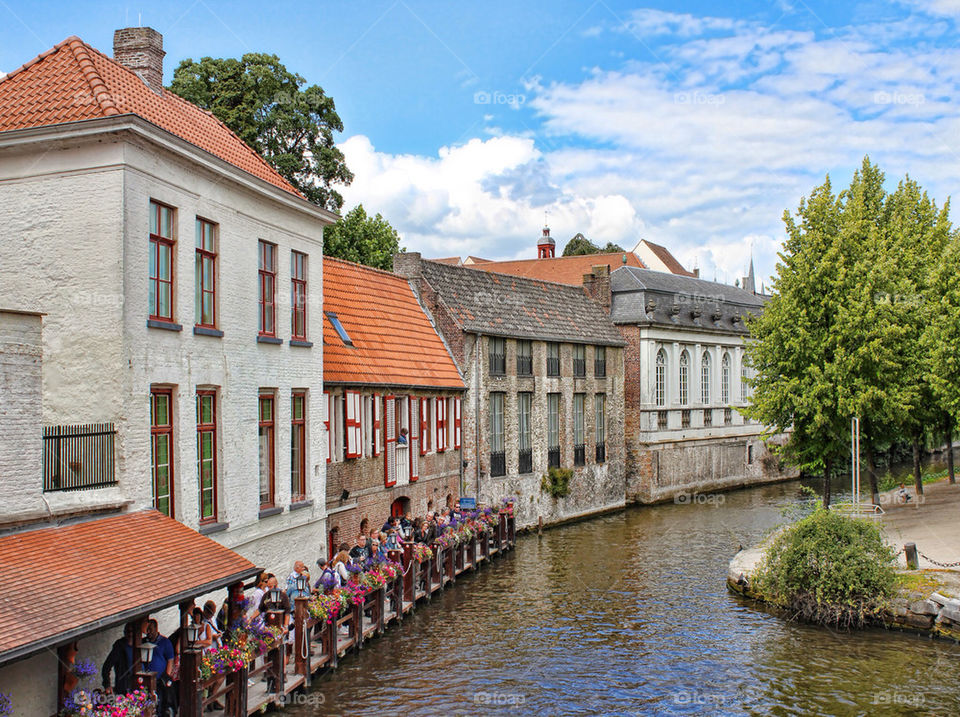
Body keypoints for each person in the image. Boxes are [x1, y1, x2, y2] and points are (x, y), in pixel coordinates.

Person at [143, 618, 176, 716]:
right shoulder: (143, 642)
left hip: (160, 679)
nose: (148, 632)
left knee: (161, 702)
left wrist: (167, 676)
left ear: (156, 628)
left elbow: (170, 659)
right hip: (148, 679)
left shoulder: (165, 642)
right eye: (147, 630)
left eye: (150, 629)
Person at [101, 624, 134, 695]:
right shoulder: (119, 647)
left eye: (132, 631)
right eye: (128, 632)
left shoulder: (140, 644)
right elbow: (106, 666)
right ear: (124, 633)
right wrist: (107, 685)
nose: (130, 634)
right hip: (123, 687)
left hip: (136, 685)